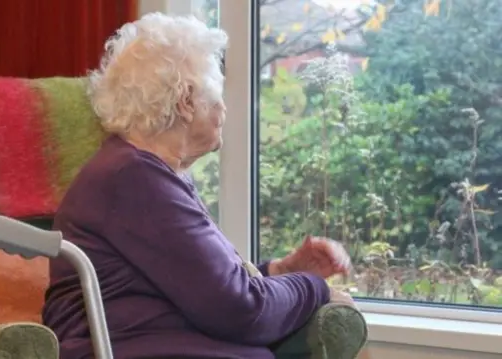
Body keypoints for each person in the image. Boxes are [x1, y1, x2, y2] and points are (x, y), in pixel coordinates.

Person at [42, 12, 356, 359]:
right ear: (186, 102)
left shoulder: (145, 173)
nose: (223, 108)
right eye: (217, 93)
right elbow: (242, 311)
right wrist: (314, 288)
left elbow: (208, 288)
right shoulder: (133, 179)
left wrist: (281, 271)